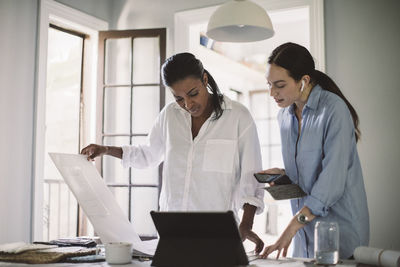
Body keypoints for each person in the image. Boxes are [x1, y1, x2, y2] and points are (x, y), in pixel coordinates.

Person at [81, 52, 265, 253]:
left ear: (205, 79)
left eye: (193, 94)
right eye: (179, 98)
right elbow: (148, 155)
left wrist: (246, 225)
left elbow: (252, 177)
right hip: (172, 234)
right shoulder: (169, 115)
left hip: (218, 236)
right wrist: (106, 149)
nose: (188, 105)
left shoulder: (238, 117)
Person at [259, 42, 369, 259]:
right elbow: (305, 177)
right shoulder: (284, 117)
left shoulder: (333, 110)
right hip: (305, 239)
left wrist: (292, 227)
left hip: (340, 236)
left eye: (279, 85)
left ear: (304, 81)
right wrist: (283, 178)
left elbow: (332, 181)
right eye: (269, 84)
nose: (272, 92)